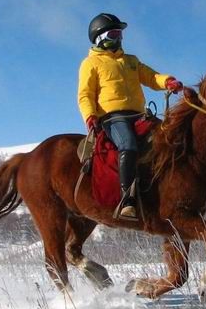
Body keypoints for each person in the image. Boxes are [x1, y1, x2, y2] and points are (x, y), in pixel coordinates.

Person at [77, 13, 183, 220]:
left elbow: (151, 77)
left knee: (169, 138)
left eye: (120, 33)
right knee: (128, 145)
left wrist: (167, 82)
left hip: (140, 115)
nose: (119, 38)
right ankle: (128, 199)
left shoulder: (131, 61)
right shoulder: (91, 64)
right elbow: (85, 94)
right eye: (115, 33)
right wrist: (90, 116)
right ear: (100, 37)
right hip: (112, 117)